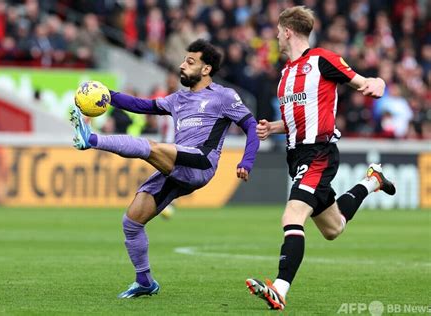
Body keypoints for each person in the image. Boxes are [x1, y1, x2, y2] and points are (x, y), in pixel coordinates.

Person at [69, 39, 260, 298]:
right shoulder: (178, 99)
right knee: (132, 222)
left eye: (190, 62)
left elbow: (251, 126)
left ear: (206, 69)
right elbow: (141, 105)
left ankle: (91, 140)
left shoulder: (224, 96)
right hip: (177, 167)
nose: (182, 65)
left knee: (152, 147)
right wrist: (107, 94)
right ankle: (145, 281)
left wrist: (246, 161)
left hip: (201, 162)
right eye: (184, 60)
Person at [245, 6, 396, 311]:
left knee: (291, 217)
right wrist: (273, 127)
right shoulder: (285, 74)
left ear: (287, 31)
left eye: (277, 31)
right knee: (333, 228)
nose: (275, 36)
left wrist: (377, 83)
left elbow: (361, 80)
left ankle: (280, 288)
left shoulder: (321, 60)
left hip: (319, 154)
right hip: (296, 155)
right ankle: (372, 181)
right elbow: (297, 118)